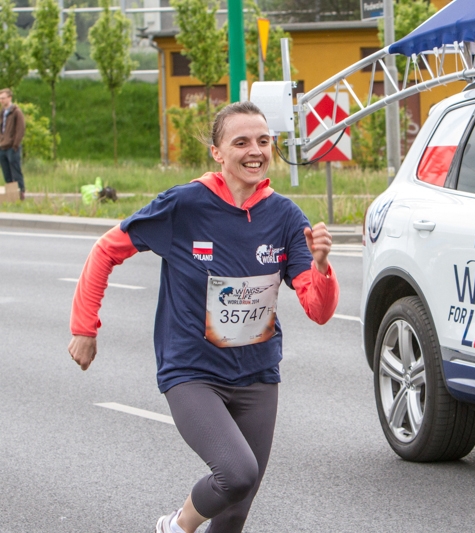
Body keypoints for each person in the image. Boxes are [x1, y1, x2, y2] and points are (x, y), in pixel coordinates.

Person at [68, 101, 339, 533]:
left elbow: (319, 310)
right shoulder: (185, 205)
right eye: (242, 142)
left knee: (235, 511)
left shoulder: (285, 217)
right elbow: (106, 250)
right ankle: (176, 526)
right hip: (193, 372)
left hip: (257, 374)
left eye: (264, 141)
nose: (255, 151)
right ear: (217, 152)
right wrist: (85, 327)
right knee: (237, 473)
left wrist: (322, 269)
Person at [0, 88, 25, 200]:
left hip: (12, 146)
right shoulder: (2, 113)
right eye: (0, 98)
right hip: (2, 146)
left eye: (3, 98)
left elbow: (21, 129)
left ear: (9, 98)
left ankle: (21, 193)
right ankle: (11, 196)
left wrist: (15, 144)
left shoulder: (16, 112)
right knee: (6, 172)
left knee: (15, 170)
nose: (1, 100)